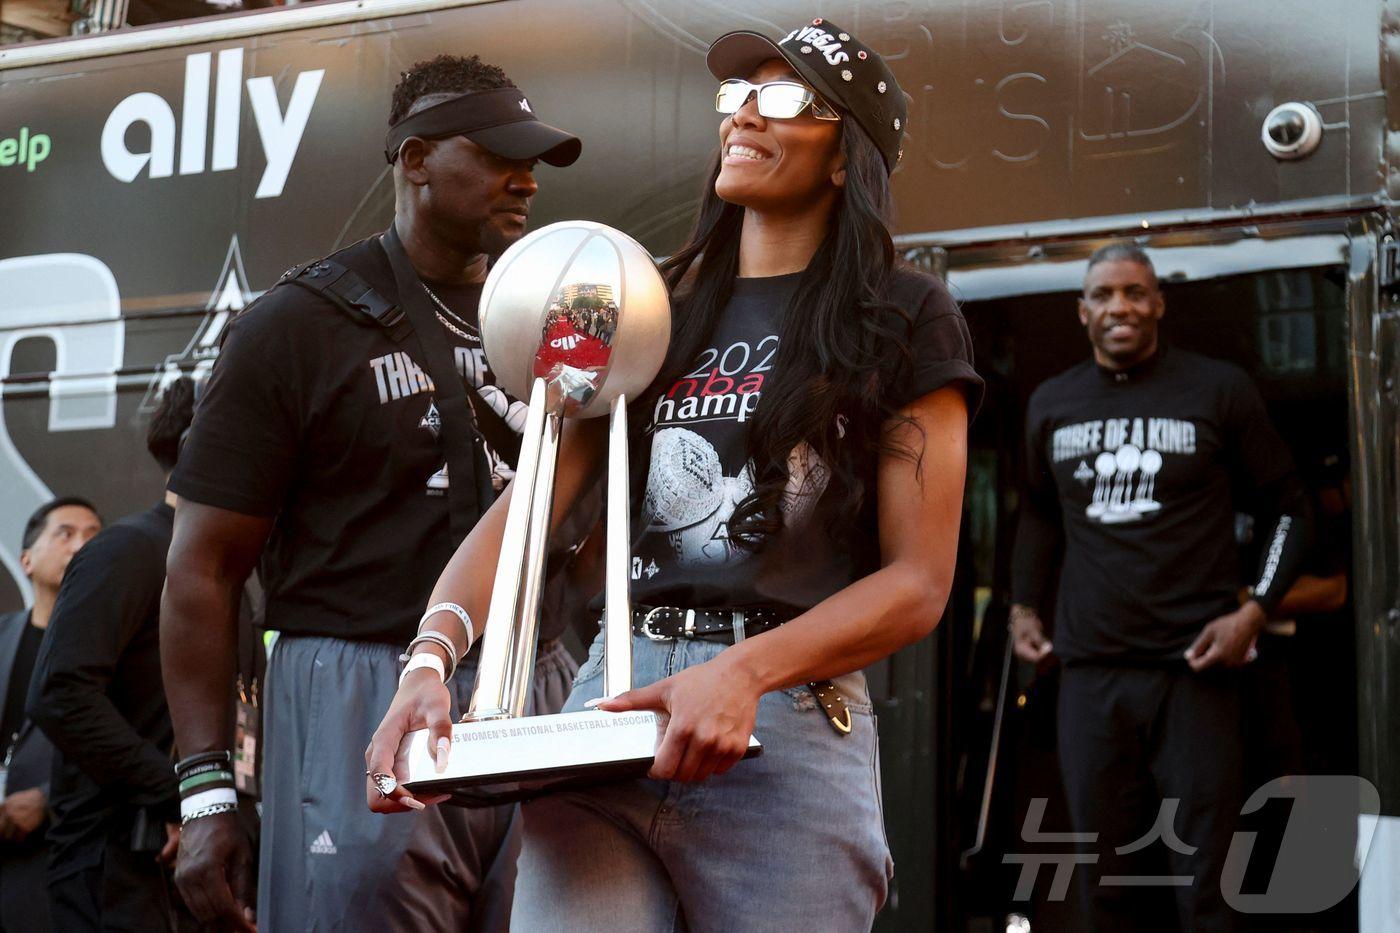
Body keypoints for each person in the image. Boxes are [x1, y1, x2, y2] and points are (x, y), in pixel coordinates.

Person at [367, 19, 982, 931]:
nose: (742, 118)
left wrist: (740, 672)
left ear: (847, 155)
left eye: (782, 100)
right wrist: (430, 657)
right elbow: (530, 511)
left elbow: (919, 585)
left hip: (784, 722)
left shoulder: (903, 314)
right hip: (612, 705)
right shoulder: (649, 302)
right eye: (736, 97)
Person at [160, 54, 582, 932]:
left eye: (535, 159)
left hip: (535, 678)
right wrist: (206, 794)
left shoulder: (560, 313)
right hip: (357, 679)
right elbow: (202, 569)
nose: (526, 179)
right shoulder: (295, 324)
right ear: (417, 158)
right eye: (501, 154)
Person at [1008, 243, 1313, 932]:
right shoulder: (1052, 404)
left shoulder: (1217, 389)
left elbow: (1291, 506)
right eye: (1106, 294)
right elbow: (1037, 511)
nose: (1122, 306)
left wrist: (1254, 612)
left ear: (1160, 303)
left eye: (1136, 292)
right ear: (1081, 311)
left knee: (1206, 885)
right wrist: (1023, 604)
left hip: (1196, 672)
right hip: (1091, 675)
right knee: (1106, 883)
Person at [24, 379, 200, 931]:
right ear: (198, 439)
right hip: (116, 869)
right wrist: (183, 798)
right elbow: (60, 693)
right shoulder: (128, 551)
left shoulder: (222, 569)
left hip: (191, 869)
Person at [0, 498, 101, 933]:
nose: (81, 546)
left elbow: (128, 753)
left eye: (94, 537)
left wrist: (47, 800)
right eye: (66, 534)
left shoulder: (113, 657)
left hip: (55, 872)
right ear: (26, 560)